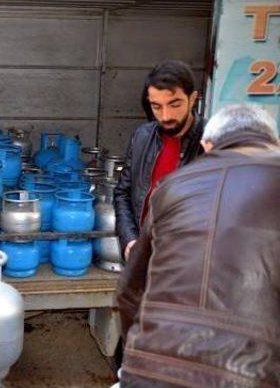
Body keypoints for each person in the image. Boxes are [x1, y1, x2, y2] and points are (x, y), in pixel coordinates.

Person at [116, 105, 280, 387]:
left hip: (151, 371)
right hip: (249, 376)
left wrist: (139, 355)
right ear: (273, 143)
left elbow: (128, 292)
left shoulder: (172, 186)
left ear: (206, 145)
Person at [114, 60, 206, 261]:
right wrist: (130, 241)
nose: (165, 116)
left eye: (174, 104)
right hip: (144, 260)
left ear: (192, 99)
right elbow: (122, 193)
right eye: (156, 106)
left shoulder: (212, 142)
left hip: (190, 266)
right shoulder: (142, 137)